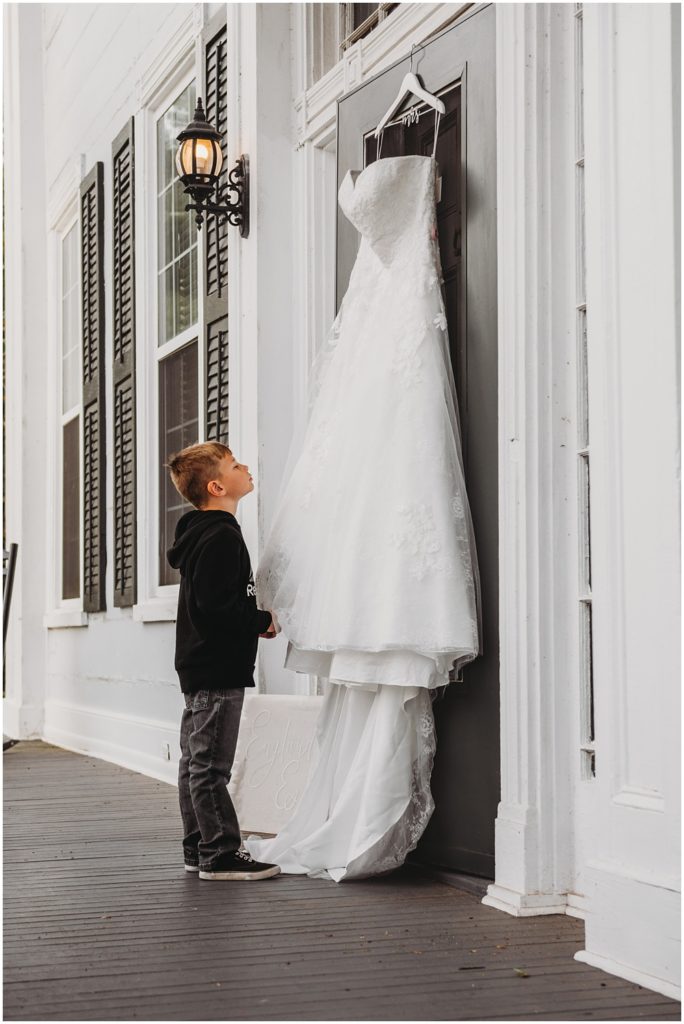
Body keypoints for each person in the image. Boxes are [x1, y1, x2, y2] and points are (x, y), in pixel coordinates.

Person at [165, 440, 282, 881]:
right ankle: (220, 854)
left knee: (194, 762)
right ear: (217, 486)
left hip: (200, 666)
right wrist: (261, 620)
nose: (246, 466)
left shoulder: (203, 533)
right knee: (211, 765)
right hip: (216, 667)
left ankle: (198, 847)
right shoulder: (219, 535)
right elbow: (215, 607)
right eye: (235, 465)